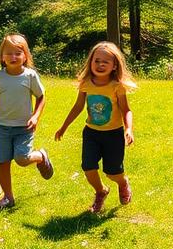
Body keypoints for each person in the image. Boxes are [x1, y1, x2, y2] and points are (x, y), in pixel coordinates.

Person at [55, 41, 136, 214]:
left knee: (112, 172)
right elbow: (78, 106)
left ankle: (122, 183)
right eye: (96, 60)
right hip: (91, 133)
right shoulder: (86, 83)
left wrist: (129, 129)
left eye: (105, 62)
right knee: (88, 167)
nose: (100, 65)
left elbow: (126, 110)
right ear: (90, 62)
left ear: (114, 65)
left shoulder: (117, 86)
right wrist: (64, 126)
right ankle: (101, 191)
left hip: (113, 134)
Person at [0, 33, 53, 210]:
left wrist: (35, 116)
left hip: (24, 127)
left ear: (25, 56)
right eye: (9, 53)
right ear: (2, 57)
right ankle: (8, 199)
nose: (13, 57)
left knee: (22, 158)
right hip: (2, 127)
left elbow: (41, 97)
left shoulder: (30, 76)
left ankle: (41, 156)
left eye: (18, 53)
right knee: (3, 163)